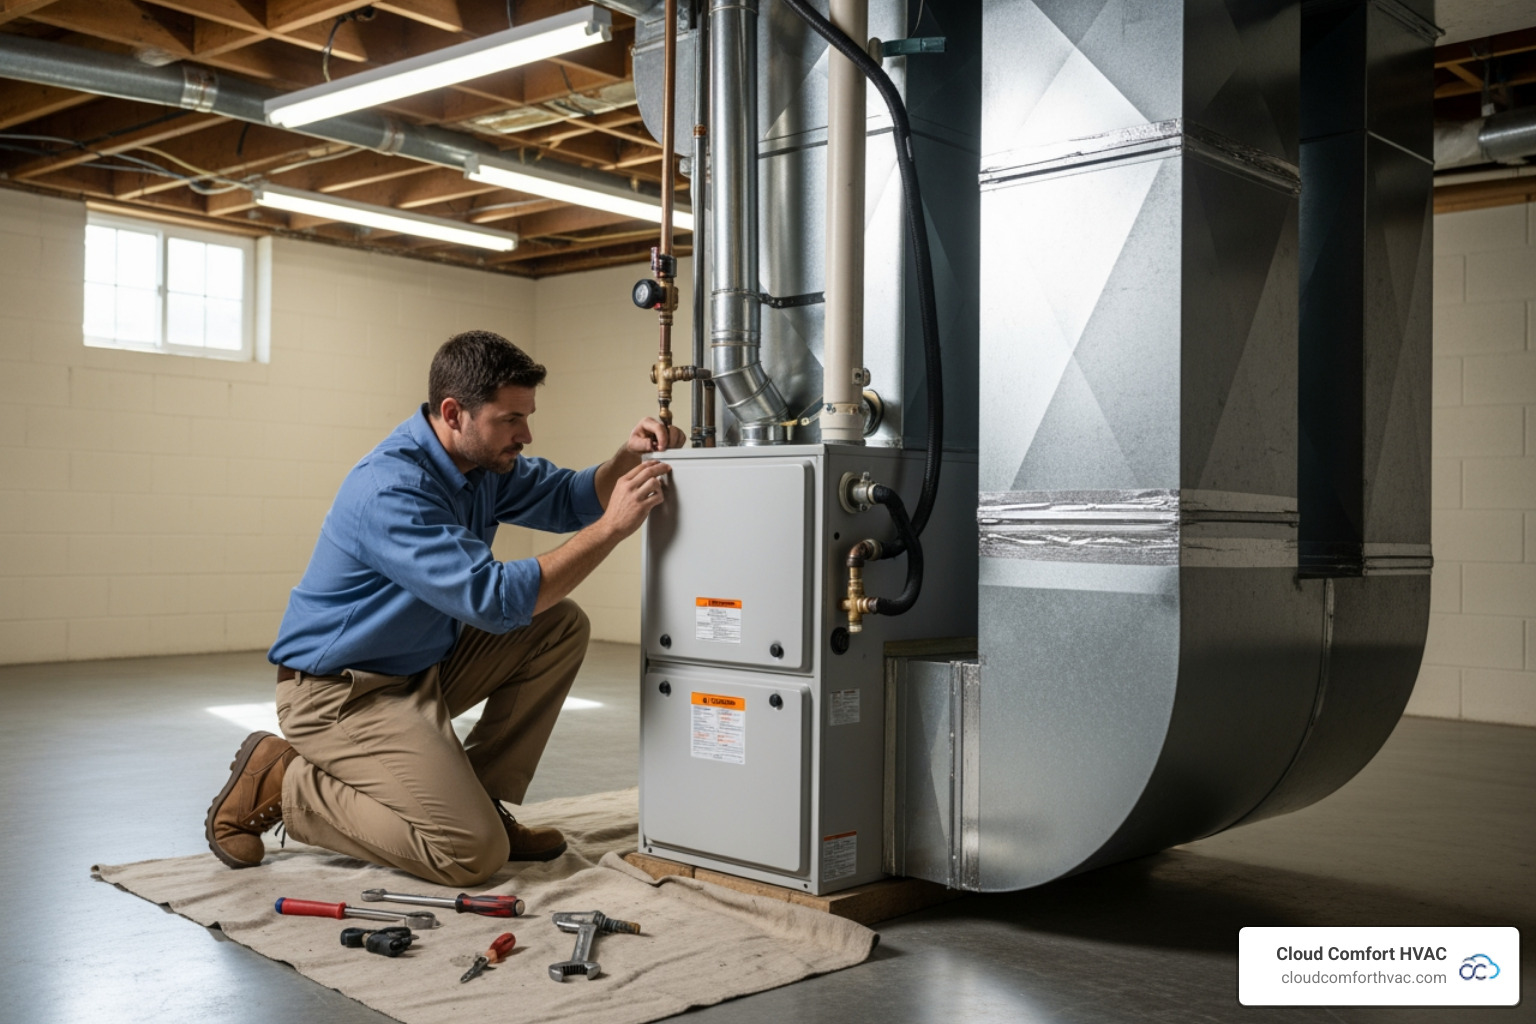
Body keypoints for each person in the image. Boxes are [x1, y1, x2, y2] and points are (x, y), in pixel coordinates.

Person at [204, 330, 680, 886]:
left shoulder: (480, 466)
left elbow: (571, 497)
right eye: (510, 419)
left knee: (558, 624)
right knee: (468, 855)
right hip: (339, 693)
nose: (526, 434)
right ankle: (287, 785)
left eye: (527, 416)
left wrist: (628, 458)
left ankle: (480, 802)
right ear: (454, 413)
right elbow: (494, 599)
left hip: (418, 669)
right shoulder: (392, 488)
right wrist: (612, 530)